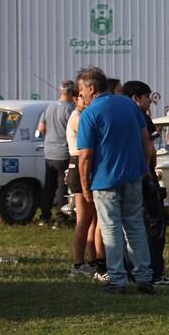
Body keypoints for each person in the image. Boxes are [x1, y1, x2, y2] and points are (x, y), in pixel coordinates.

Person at [76, 66, 155, 295]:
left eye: (82, 91)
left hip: (104, 179)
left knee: (110, 228)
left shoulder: (90, 114)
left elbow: (85, 156)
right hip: (132, 175)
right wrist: (143, 167)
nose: (81, 96)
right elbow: (145, 140)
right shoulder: (129, 105)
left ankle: (117, 279)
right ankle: (144, 276)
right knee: (135, 226)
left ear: (92, 88)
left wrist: (84, 185)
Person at [123, 80, 169, 286]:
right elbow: (150, 150)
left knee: (130, 226)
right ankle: (154, 272)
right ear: (136, 98)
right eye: (147, 98)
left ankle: (130, 270)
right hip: (144, 178)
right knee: (154, 226)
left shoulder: (121, 117)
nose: (150, 102)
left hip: (126, 177)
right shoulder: (141, 117)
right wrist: (147, 172)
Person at [66, 88, 101, 277]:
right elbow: (90, 139)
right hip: (78, 165)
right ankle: (78, 264)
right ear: (74, 99)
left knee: (93, 218)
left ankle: (93, 259)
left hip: (86, 165)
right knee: (84, 220)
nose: (85, 99)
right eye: (80, 96)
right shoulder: (77, 118)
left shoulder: (84, 115)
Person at [36, 80, 76, 227]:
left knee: (49, 185)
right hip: (63, 152)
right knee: (62, 186)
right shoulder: (71, 109)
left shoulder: (49, 107)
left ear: (60, 92)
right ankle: (60, 218)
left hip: (49, 152)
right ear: (72, 93)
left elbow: (41, 128)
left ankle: (44, 216)